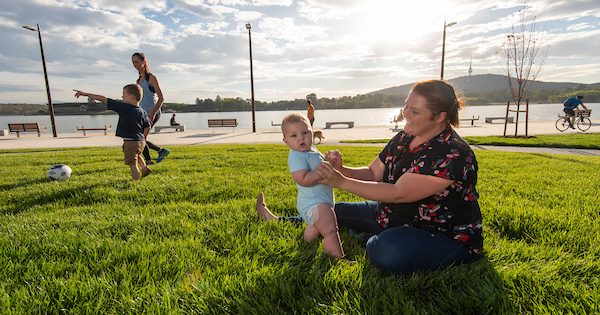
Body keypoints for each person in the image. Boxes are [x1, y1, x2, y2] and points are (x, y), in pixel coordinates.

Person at [314, 79, 483, 274]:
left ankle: (373, 238)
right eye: (406, 105)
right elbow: (372, 173)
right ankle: (283, 220)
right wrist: (342, 169)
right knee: (332, 211)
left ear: (439, 117)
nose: (405, 113)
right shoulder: (405, 137)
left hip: (442, 234)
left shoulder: (452, 152)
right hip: (392, 216)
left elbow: (397, 193)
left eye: (415, 111)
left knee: (386, 251)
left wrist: (341, 182)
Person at [256, 113, 344, 258]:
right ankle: (338, 259)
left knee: (316, 226)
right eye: (294, 136)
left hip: (322, 201)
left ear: (312, 132)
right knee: (330, 229)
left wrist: (330, 161)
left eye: (305, 133)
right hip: (312, 204)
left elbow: (322, 166)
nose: (301, 138)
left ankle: (307, 242)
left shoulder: (313, 150)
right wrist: (321, 173)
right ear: (286, 141)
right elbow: (302, 179)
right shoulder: (296, 156)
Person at [73, 85, 151, 180]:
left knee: (132, 163)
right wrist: (144, 138)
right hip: (141, 141)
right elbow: (147, 126)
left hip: (130, 141)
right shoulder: (142, 111)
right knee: (137, 155)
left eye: (123, 95)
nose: (122, 97)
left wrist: (85, 94)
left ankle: (136, 180)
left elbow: (103, 99)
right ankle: (144, 168)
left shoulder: (124, 107)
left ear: (132, 97)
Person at [131, 52, 170, 163]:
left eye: (137, 62)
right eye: (133, 62)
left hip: (154, 112)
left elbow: (161, 98)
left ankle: (148, 161)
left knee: (141, 138)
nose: (135, 64)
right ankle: (160, 151)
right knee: (139, 137)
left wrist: (152, 113)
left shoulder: (151, 78)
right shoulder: (138, 81)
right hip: (143, 114)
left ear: (143, 62)